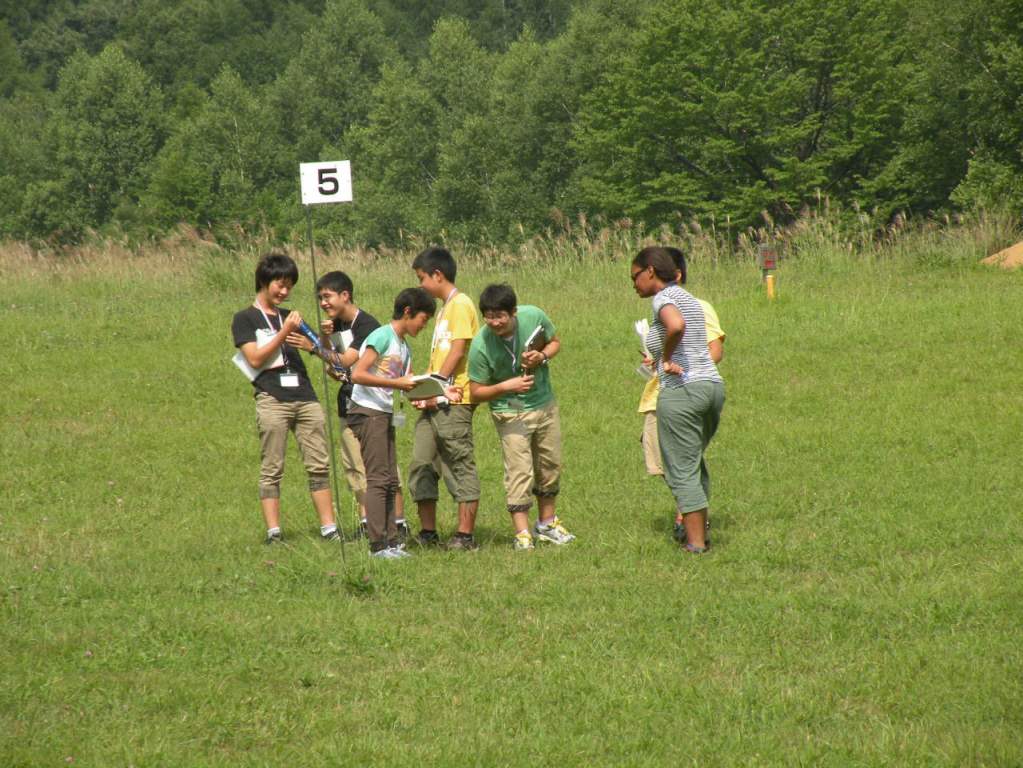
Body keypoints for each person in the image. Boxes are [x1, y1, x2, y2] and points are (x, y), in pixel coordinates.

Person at [289, 271, 409, 540]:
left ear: (345, 295)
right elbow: (335, 365)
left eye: (327, 296)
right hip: (348, 403)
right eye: (320, 298)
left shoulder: (366, 325)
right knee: (355, 466)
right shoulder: (337, 324)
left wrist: (312, 346)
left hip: (372, 406)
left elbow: (346, 361)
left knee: (382, 468)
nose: (323, 303)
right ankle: (367, 521)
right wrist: (324, 337)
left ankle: (398, 523)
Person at [230, 252, 339, 544]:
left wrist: (323, 337)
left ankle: (329, 528)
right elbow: (254, 358)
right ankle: (274, 532)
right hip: (272, 398)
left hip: (305, 396)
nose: (284, 291)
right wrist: (284, 331)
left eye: (289, 286)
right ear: (264, 281)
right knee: (272, 466)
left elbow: (323, 353)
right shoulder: (245, 318)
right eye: (280, 284)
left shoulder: (290, 316)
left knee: (319, 464)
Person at [631, 246, 725, 554]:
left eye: (635, 277)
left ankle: (695, 544)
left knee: (681, 468)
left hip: (683, 390)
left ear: (650, 271)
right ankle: (700, 532)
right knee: (693, 462)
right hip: (711, 386)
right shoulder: (690, 298)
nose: (633, 284)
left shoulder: (663, 298)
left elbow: (676, 326)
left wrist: (667, 358)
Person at [467, 284, 576, 550]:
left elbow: (555, 342)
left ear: (513, 312)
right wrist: (507, 386)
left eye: (500, 316)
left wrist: (542, 356)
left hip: (544, 403)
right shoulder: (480, 345)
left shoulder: (534, 316)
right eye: (488, 316)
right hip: (508, 410)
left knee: (550, 465)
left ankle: (547, 524)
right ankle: (522, 534)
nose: (494, 322)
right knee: (519, 470)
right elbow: (475, 392)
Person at [348, 288, 454, 559]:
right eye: (423, 319)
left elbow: (410, 386)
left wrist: (442, 392)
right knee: (378, 479)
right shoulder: (382, 336)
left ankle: (392, 542)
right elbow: (357, 374)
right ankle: (378, 545)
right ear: (408, 312)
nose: (423, 325)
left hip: (384, 413)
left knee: (390, 479)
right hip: (368, 412)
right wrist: (396, 383)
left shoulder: (404, 347)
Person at [408, 247, 482, 550]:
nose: (421, 285)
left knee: (459, 464)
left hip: (455, 400)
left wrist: (434, 387)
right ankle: (428, 533)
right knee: (422, 463)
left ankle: (465, 536)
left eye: (422, 278)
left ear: (438, 275)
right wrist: (421, 389)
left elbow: (458, 350)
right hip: (435, 400)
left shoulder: (461, 304)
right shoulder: (444, 309)